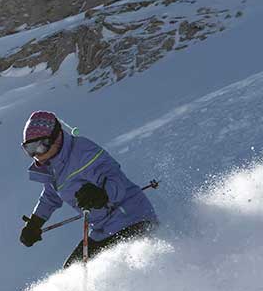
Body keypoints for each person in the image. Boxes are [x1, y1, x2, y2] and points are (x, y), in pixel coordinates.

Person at [18, 110, 158, 267]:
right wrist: (35, 223)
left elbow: (115, 179)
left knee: (108, 268)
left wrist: (102, 195)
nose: (36, 154)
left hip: (131, 218)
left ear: (55, 138)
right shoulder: (52, 166)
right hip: (103, 230)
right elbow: (51, 196)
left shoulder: (83, 152)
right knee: (72, 270)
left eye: (39, 147)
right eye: (29, 149)